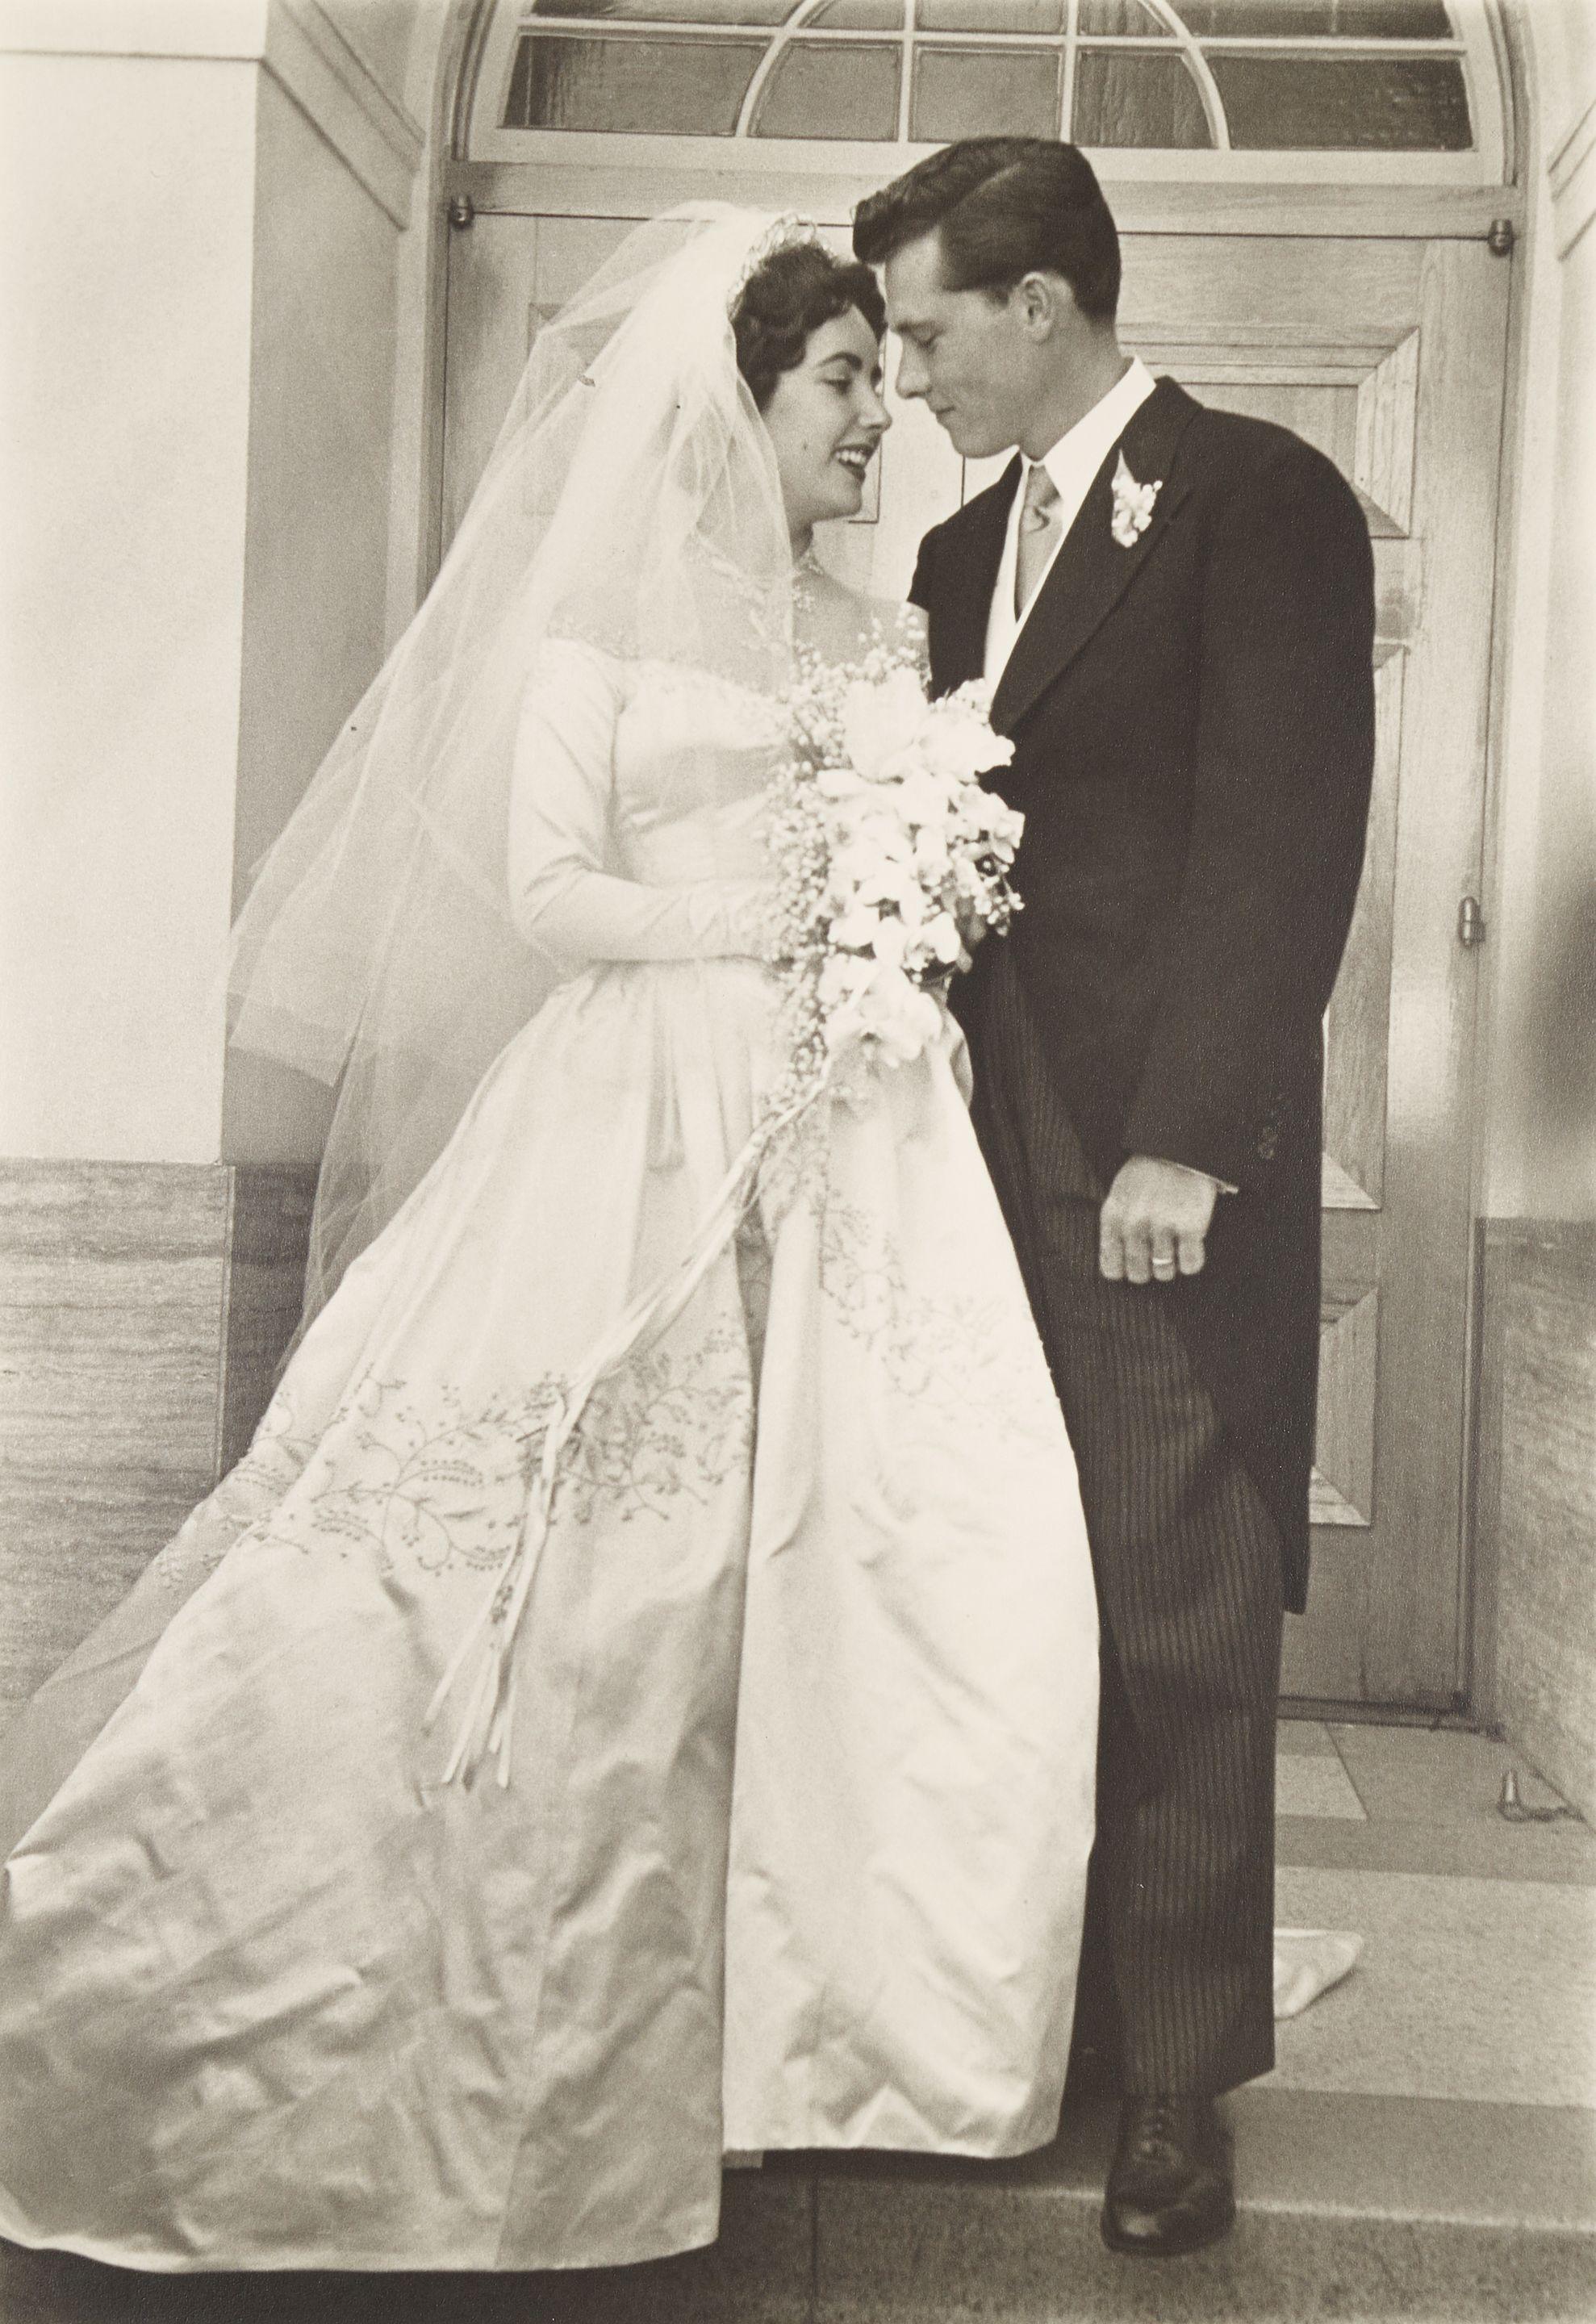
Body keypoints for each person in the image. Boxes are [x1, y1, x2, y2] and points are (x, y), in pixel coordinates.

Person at [0, 207, 1099, 2275]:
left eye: (887, 373)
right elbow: (551, 894)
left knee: (871, 1546)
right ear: (745, 393)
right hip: (634, 1113)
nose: (879, 418)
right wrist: (764, 926)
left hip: (846, 1129)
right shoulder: (592, 650)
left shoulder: (877, 637)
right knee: (594, 1571)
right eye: (844, 379)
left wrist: (892, 915)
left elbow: (917, 845)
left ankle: (824, 2018)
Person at [854, 140, 1377, 2259]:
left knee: (1168, 1618)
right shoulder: (963, 543)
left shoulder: (1254, 499)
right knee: (1008, 1614)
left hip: (1144, 1168)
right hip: (957, 1168)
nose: (902, 378)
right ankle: (1031, 2023)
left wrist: (1187, 1139)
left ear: (1042, 300)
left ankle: (1173, 2093)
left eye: (924, 331)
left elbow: (1281, 833)